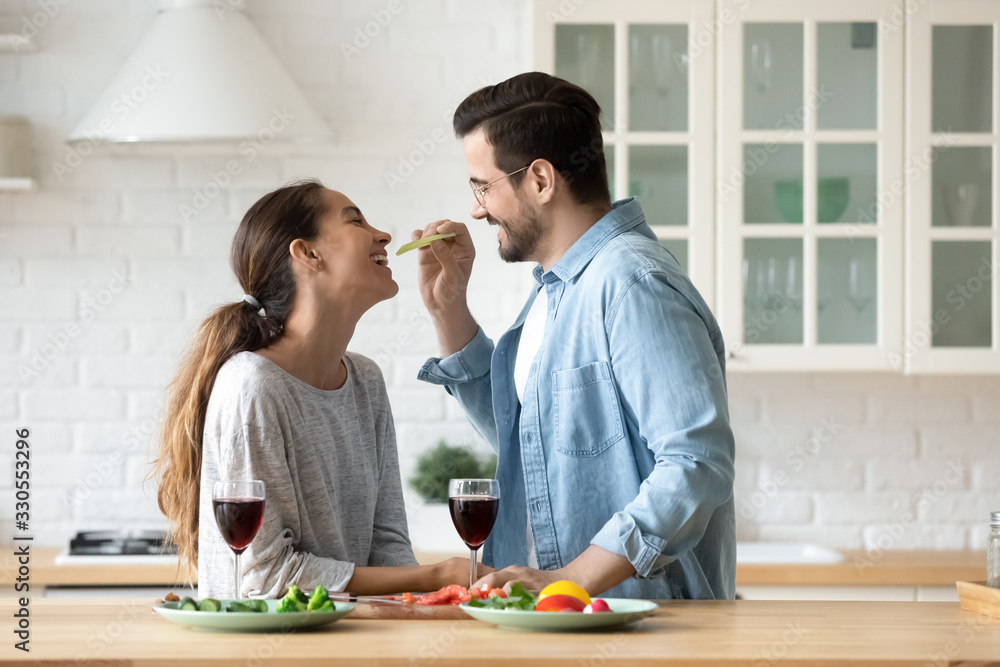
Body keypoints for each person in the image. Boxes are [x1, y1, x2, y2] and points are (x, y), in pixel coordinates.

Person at [411, 73, 735, 599]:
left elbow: (696, 463)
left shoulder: (633, 285)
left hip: (641, 632)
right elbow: (532, 446)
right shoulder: (554, 292)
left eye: (482, 185)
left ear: (540, 180)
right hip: (564, 622)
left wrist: (572, 579)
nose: (476, 208)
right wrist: (448, 311)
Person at [152, 179, 480, 598]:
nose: (383, 235)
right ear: (307, 254)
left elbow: (387, 544)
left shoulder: (365, 381)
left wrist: (430, 597)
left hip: (349, 645)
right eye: (356, 221)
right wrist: (438, 575)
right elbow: (264, 578)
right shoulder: (253, 385)